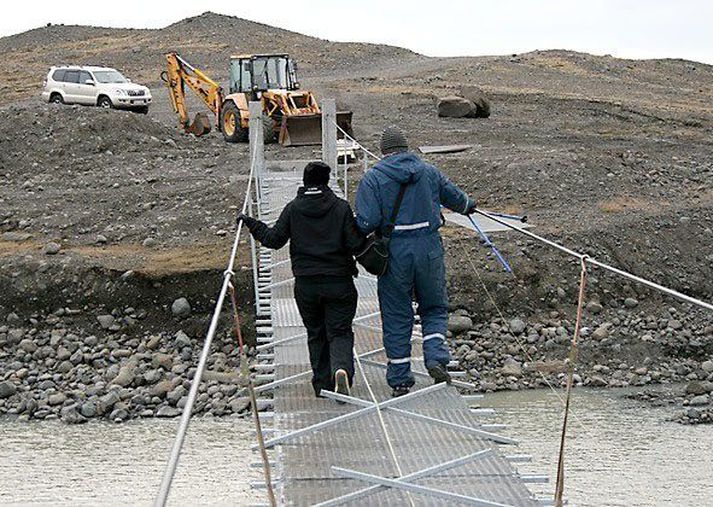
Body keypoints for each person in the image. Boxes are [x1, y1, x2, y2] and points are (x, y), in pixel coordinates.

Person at [355, 126, 477, 397]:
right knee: (434, 307)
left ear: (383, 150)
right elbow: (457, 199)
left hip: (395, 252)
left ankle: (400, 379)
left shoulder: (373, 178)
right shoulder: (428, 171)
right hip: (429, 247)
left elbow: (366, 222)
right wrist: (470, 205)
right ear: (406, 146)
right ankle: (435, 357)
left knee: (397, 313)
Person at [237, 161, 365, 399]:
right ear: (327, 181)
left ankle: (322, 384)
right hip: (339, 281)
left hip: (306, 284)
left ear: (304, 182)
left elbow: (274, 240)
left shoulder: (293, 208)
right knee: (339, 331)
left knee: (316, 332)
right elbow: (356, 244)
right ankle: (341, 369)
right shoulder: (341, 207)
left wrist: (251, 223)